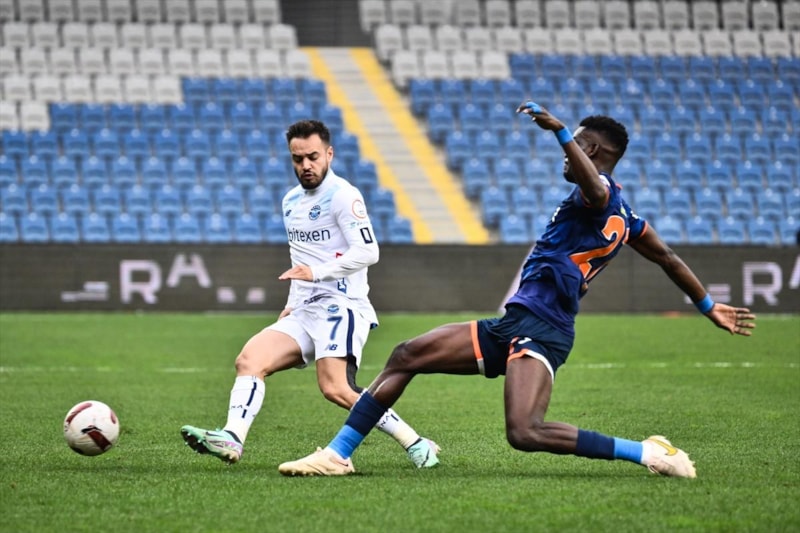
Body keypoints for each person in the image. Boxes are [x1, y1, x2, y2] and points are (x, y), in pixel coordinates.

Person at [278, 103, 757, 478]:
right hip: (516, 322)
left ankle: (648, 453)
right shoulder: (627, 218)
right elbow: (668, 257)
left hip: (544, 329)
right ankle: (338, 455)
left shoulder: (600, 194)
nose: (569, 155)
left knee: (524, 431)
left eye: (580, 145)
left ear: (591, 150)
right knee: (407, 354)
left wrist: (561, 131)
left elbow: (596, 190)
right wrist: (708, 305)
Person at [181, 119, 440, 469]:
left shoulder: (343, 195)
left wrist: (317, 273)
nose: (305, 165)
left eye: (313, 157)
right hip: (305, 308)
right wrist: (291, 303)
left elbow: (368, 252)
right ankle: (232, 437)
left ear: (329, 154)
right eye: (297, 158)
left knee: (336, 388)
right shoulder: (290, 201)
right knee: (250, 360)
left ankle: (415, 442)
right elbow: (300, 259)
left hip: (342, 306)